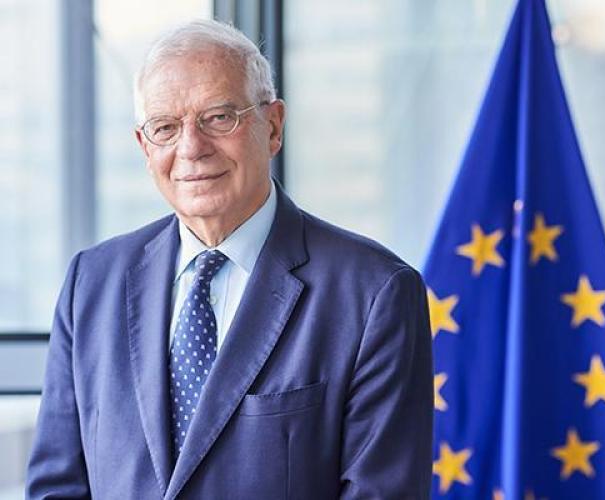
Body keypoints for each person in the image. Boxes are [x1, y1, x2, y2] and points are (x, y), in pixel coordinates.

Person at [26, 19, 433, 500]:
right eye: (165, 128)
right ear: (144, 147)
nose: (191, 148)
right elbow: (57, 488)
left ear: (273, 127)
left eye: (219, 118)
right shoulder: (91, 284)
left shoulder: (374, 294)